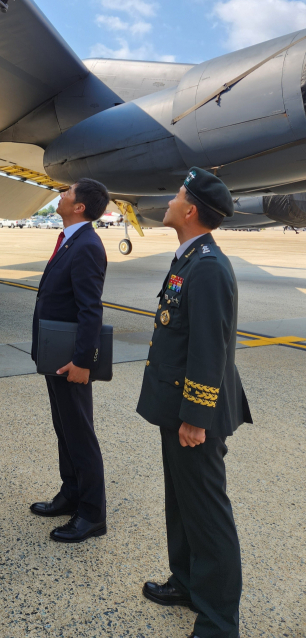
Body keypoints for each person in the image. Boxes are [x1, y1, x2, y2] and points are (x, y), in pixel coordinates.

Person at [137, 167, 252, 638]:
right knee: (182, 504)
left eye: (177, 195)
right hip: (179, 408)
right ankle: (185, 583)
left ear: (190, 210)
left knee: (207, 514)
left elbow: (210, 348)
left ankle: (220, 622)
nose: (169, 200)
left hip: (194, 414)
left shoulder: (206, 266)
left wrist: (195, 417)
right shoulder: (191, 257)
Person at [29, 178, 110, 542]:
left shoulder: (88, 245)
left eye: (67, 193)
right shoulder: (71, 239)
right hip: (56, 354)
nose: (60, 195)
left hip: (71, 359)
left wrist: (83, 361)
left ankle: (92, 514)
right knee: (64, 427)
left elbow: (91, 309)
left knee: (80, 432)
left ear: (79, 207)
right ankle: (71, 492)